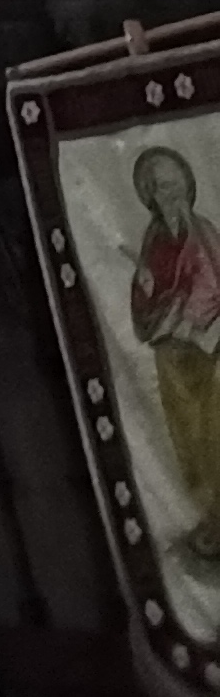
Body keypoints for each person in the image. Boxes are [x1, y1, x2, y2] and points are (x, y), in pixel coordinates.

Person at [133, 144, 220, 557]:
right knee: (187, 434)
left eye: (177, 184)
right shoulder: (153, 241)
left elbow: (214, 281)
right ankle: (213, 516)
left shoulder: (203, 232)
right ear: (151, 195)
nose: (173, 194)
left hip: (209, 345)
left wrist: (193, 317)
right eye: (163, 188)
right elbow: (145, 297)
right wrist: (146, 288)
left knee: (215, 427)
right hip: (171, 354)